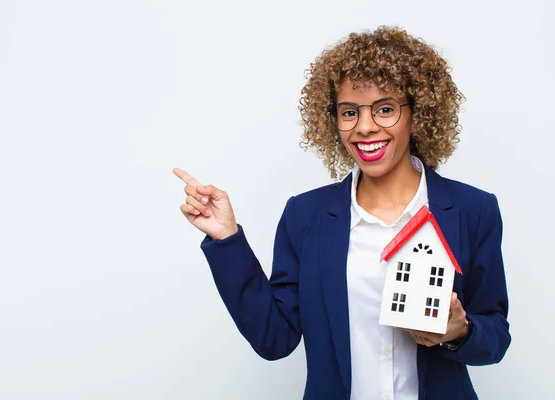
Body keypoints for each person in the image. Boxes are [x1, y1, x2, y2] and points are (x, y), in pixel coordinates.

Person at [173, 26, 510, 400]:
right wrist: (227, 240)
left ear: (418, 114)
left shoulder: (473, 210)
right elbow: (275, 338)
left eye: (385, 109)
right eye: (349, 112)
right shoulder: (306, 215)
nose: (364, 128)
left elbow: (495, 336)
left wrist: (459, 333)